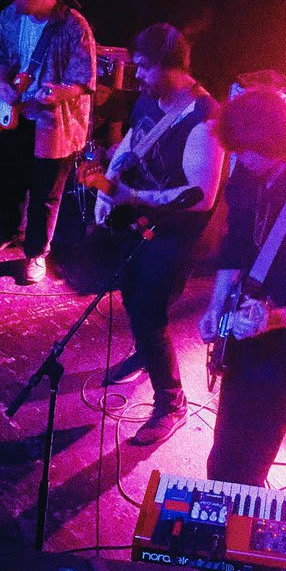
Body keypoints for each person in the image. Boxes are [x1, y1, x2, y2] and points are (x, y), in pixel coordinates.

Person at [198, 88, 286, 487]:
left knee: (248, 463)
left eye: (245, 150)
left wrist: (272, 319)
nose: (238, 159)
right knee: (225, 453)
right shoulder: (247, 176)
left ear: (274, 143)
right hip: (247, 335)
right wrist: (216, 307)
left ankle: (239, 535)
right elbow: (235, 248)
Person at [95, 24, 225, 447]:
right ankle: (145, 356)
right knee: (134, 298)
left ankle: (171, 403)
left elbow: (201, 197)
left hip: (176, 235)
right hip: (142, 221)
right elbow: (134, 139)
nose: (137, 76)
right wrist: (109, 185)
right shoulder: (153, 98)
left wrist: (133, 195)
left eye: (146, 68)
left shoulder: (205, 119)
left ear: (174, 68)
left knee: (150, 310)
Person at [0, 0, 96, 283]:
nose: (17, 3)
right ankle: (9, 229)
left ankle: (36, 254)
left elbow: (84, 80)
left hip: (54, 121)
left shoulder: (73, 25)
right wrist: (3, 83)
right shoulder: (10, 16)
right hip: (16, 114)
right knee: (8, 176)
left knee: (46, 191)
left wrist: (60, 92)